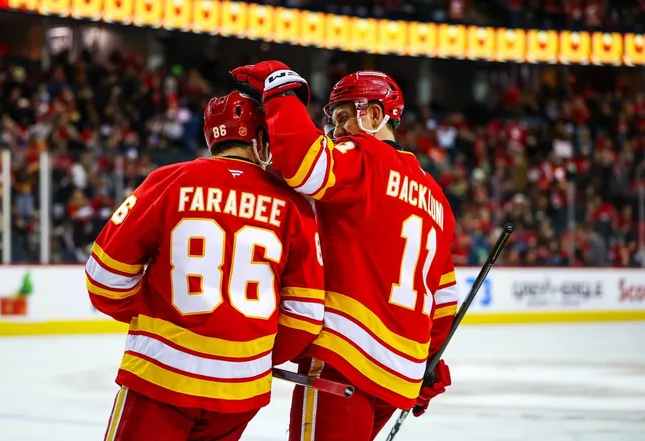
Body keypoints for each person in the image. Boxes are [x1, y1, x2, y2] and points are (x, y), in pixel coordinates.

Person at [231, 62, 459, 440]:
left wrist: (281, 90)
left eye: (342, 117)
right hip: (399, 373)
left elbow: (303, 163)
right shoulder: (435, 196)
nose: (336, 132)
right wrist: (429, 363)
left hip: (345, 357)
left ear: (373, 115)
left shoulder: (365, 157)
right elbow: (444, 298)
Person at [86, 90, 325, 441]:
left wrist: (151, 312)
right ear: (260, 139)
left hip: (161, 378)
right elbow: (305, 316)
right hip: (239, 393)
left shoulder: (168, 181)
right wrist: (253, 355)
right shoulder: (294, 205)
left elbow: (104, 279)